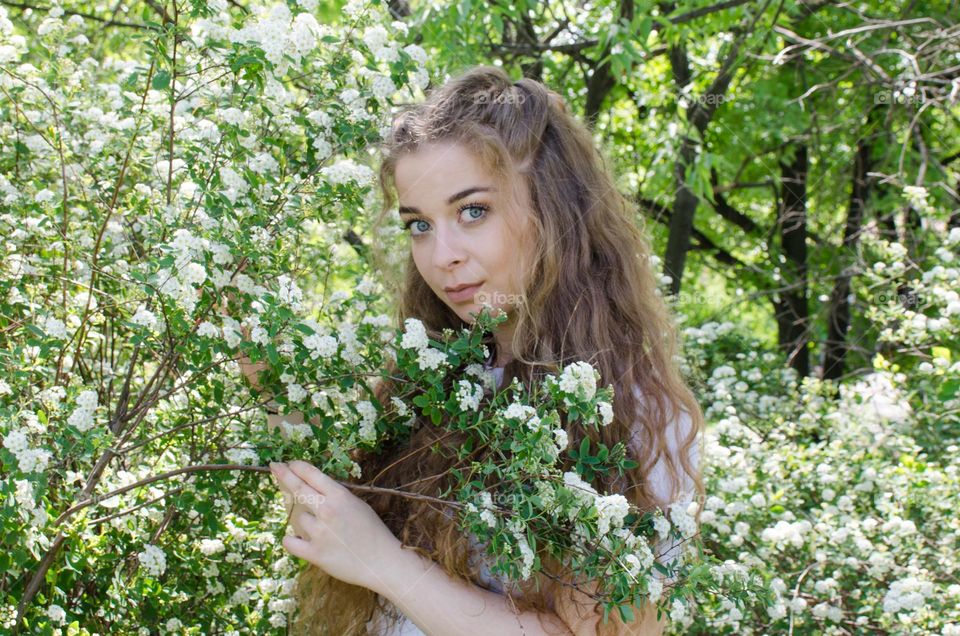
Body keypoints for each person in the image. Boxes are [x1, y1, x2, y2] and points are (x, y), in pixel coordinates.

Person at [244, 65, 703, 635]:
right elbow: (334, 523)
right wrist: (259, 360)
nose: (442, 256)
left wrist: (384, 564)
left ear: (553, 209)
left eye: (473, 211)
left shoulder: (632, 411)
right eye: (419, 225)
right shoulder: (433, 376)